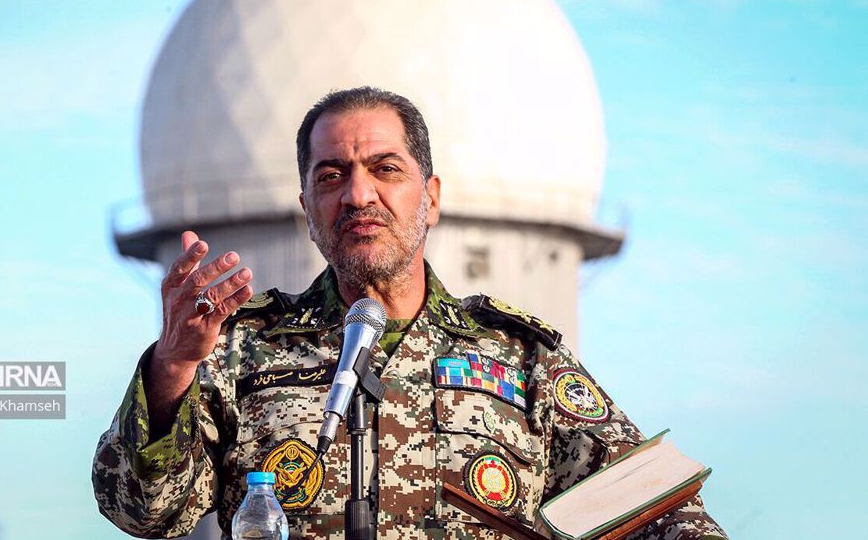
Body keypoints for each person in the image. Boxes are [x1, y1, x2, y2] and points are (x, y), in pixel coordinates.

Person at [92, 87, 728, 540]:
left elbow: (655, 507)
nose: (359, 194)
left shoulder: (522, 357)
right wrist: (173, 363)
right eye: (332, 176)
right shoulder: (238, 351)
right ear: (308, 207)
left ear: (431, 195)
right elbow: (141, 512)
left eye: (384, 169)